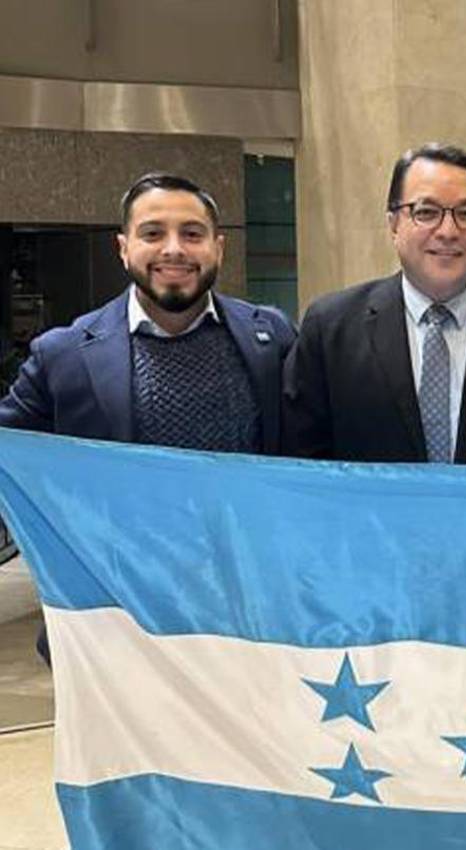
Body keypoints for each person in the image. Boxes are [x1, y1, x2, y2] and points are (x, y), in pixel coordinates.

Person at [0, 171, 296, 663]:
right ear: (123, 247)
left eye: (193, 234)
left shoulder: (273, 337)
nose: (174, 249)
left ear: (219, 248)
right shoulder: (64, 355)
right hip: (115, 629)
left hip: (247, 622)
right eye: (153, 233)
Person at [282, 144, 466, 463]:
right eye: (426, 212)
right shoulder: (331, 330)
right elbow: (301, 464)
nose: (448, 231)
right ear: (394, 224)